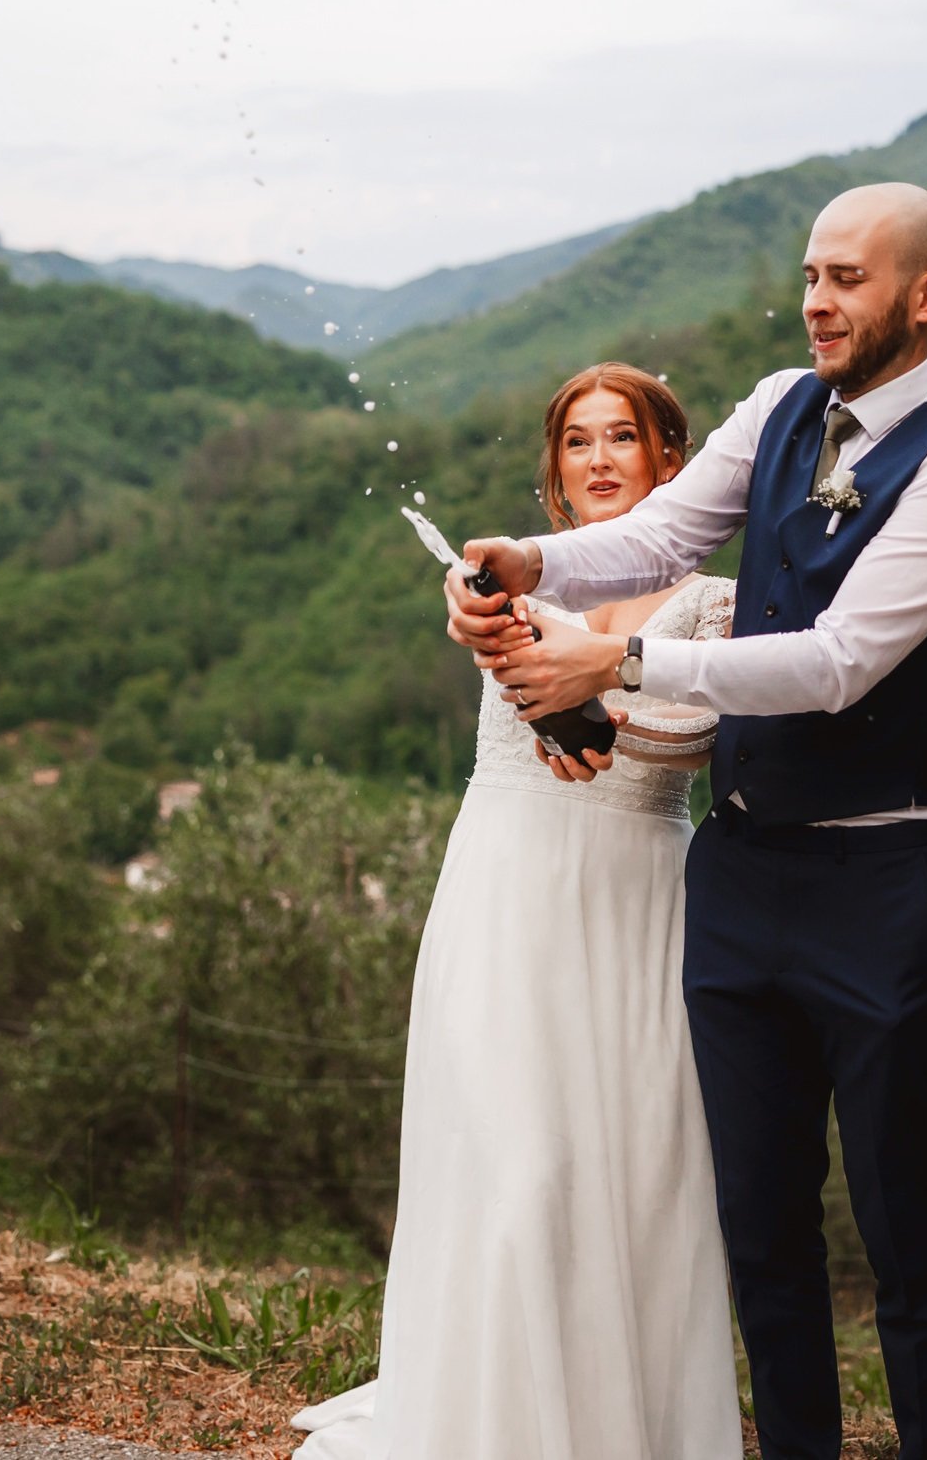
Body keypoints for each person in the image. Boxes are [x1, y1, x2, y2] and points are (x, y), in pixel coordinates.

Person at [451, 183, 927, 1460]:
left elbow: (836, 663)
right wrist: (523, 562)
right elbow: (662, 529)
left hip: (882, 882)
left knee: (903, 1227)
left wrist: (617, 669)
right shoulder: (779, 402)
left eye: (846, 280)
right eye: (810, 276)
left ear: (923, 297)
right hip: (737, 878)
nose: (816, 301)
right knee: (760, 1230)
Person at [290, 363, 744, 1460]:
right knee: (516, 1163)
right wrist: (500, 636)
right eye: (577, 441)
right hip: (501, 900)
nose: (597, 459)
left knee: (629, 1175)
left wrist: (590, 706)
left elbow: (694, 733)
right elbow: (489, 652)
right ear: (553, 472)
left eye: (621, 438)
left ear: (668, 462)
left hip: (633, 906)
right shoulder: (505, 594)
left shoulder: (711, 602)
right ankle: (493, 1422)